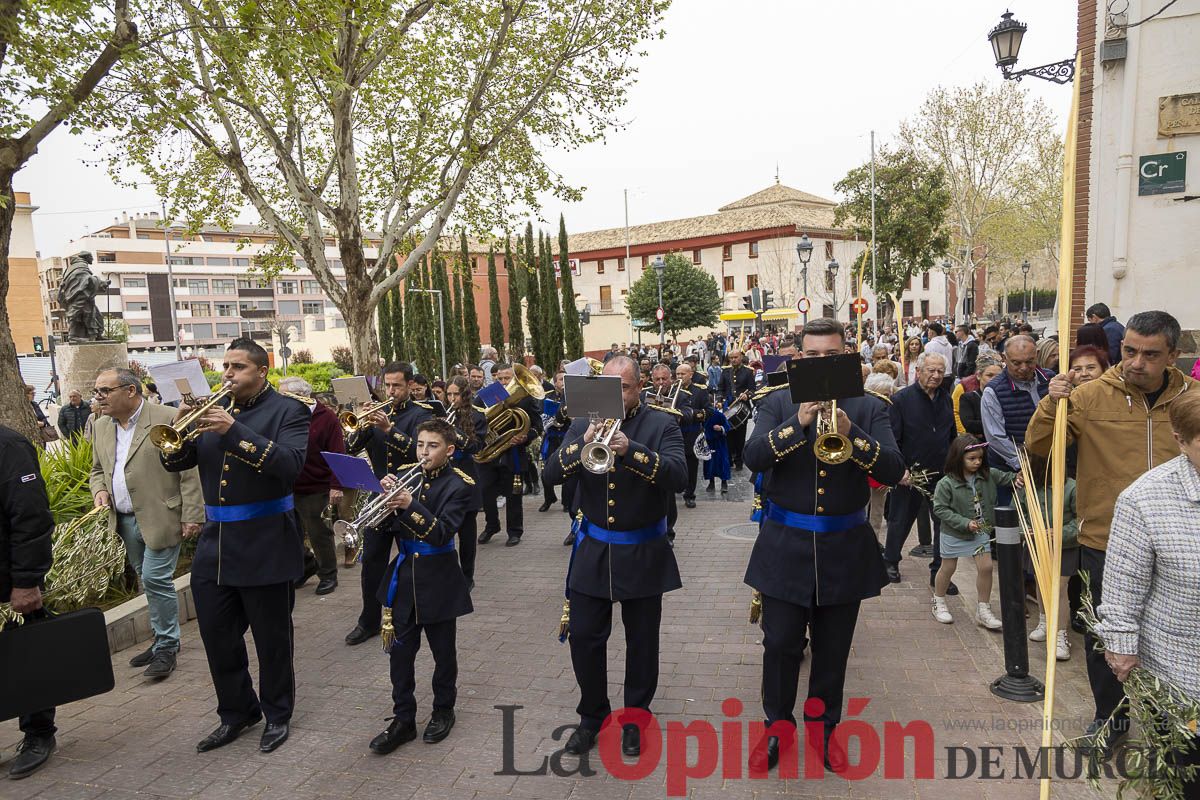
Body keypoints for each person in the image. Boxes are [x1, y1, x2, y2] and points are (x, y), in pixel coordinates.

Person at [1026, 310, 1195, 755]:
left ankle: (1172, 725)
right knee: (1107, 636)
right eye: (1130, 350)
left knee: (1176, 638)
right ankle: (1110, 719)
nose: (1137, 362)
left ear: (1174, 355)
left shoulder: (1190, 399)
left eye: (1151, 354)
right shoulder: (1089, 396)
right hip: (1108, 538)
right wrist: (1051, 402)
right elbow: (1039, 447)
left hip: (1182, 543)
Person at [742, 318, 905, 774]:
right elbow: (752, 458)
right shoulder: (775, 402)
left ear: (845, 355)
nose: (820, 362)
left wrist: (852, 434)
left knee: (833, 651)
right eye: (811, 356)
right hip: (784, 545)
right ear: (798, 358)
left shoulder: (870, 406)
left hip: (844, 547)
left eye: (829, 355)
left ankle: (824, 730)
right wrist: (798, 424)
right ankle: (777, 728)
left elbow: (893, 469)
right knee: (779, 646)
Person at [161, 338, 311, 754]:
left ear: (262, 371)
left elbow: (290, 467)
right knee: (217, 637)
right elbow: (176, 461)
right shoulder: (211, 412)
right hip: (216, 546)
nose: (227, 374)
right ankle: (237, 712)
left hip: (266, 541)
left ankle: (277, 714)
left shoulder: (289, 410)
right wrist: (180, 428)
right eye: (225, 366)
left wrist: (233, 430)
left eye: (238, 367)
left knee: (271, 639)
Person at [543, 355, 684, 757]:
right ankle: (592, 716)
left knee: (642, 641)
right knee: (585, 637)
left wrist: (632, 450)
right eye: (607, 387)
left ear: (639, 387)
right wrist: (585, 443)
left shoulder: (661, 423)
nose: (615, 395)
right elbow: (550, 475)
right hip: (594, 550)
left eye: (622, 387)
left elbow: (678, 475)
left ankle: (636, 717)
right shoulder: (579, 424)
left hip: (643, 550)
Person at [1094, 390, 1200, 794]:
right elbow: (1122, 585)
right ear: (1180, 440)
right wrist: (1121, 647)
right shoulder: (1146, 499)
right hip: (1180, 669)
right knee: (1187, 766)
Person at [368, 420, 474, 754]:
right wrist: (383, 499)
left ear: (449, 450)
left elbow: (442, 533)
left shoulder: (459, 486)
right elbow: (385, 530)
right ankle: (403, 719)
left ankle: (444, 710)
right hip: (404, 577)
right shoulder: (405, 476)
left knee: (444, 653)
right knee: (399, 655)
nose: (423, 453)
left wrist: (408, 505)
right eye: (420, 445)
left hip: (440, 579)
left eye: (432, 446)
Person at [90, 368, 204, 678]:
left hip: (162, 515)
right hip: (125, 520)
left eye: (104, 390)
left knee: (155, 579)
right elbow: (97, 469)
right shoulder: (100, 426)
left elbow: (189, 471)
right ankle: (161, 640)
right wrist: (100, 489)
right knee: (147, 580)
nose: (98, 397)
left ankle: (167, 646)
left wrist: (192, 514)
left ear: (130, 391)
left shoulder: (168, 416)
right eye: (96, 391)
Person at [344, 361, 433, 646]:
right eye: (388, 385)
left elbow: (423, 455)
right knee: (371, 562)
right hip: (378, 499)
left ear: (410, 386)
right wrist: (359, 427)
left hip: (410, 498)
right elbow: (351, 448)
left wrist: (390, 428)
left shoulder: (421, 415)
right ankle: (368, 620)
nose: (391, 391)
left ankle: (418, 613)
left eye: (397, 385)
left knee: (415, 559)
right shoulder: (375, 414)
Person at [0, 423, 57, 779]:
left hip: (10, 582)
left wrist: (25, 582)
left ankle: (38, 734)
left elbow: (32, 516)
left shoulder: (8, 446)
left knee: (27, 658)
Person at [883, 352, 957, 592]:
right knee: (900, 519)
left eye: (940, 371)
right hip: (910, 473)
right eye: (931, 371)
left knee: (942, 523)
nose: (936, 376)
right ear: (919, 371)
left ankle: (939, 570)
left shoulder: (946, 398)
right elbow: (892, 438)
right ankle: (891, 561)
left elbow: (951, 433)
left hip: (941, 472)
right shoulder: (901, 399)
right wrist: (899, 469)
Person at [930, 436, 1014, 628]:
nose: (977, 462)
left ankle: (983, 609)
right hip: (954, 532)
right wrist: (964, 523)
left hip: (982, 528)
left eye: (980, 458)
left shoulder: (988, 475)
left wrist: (1018, 478)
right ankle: (939, 601)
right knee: (948, 567)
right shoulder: (946, 483)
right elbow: (940, 509)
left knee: (986, 567)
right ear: (958, 458)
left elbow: (1007, 478)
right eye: (972, 458)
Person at [279, 376, 344, 595]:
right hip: (288, 484)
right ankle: (307, 563)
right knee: (288, 533)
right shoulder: (285, 416)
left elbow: (337, 453)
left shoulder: (327, 418)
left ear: (302, 396)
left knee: (319, 533)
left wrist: (336, 485)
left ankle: (328, 574)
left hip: (317, 486)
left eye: (284, 395)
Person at [1019, 452, 1078, 661]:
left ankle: (1060, 635)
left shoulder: (1071, 487)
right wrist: (1027, 529)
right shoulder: (1029, 488)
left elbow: (1081, 522)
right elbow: (1021, 515)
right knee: (1040, 582)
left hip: (1065, 548)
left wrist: (1060, 533)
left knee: (1059, 588)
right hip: (1038, 545)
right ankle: (1044, 621)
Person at [477, 363, 542, 547]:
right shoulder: (486, 396)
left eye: (508, 379)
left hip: (513, 453)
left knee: (514, 495)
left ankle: (514, 531)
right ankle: (491, 526)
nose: (504, 383)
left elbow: (538, 426)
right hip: (489, 454)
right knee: (486, 492)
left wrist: (524, 437)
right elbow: (476, 421)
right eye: (500, 379)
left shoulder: (526, 399)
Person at [981, 335, 1053, 501]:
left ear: (1037, 354)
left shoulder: (1051, 380)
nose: (1024, 368)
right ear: (1004, 358)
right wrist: (1023, 464)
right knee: (1012, 522)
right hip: (1011, 470)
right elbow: (996, 437)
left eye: (1029, 361)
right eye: (1016, 363)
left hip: (1048, 464)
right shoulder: (994, 391)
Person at [445, 376, 486, 587]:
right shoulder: (441, 413)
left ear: (464, 395)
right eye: (448, 394)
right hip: (444, 477)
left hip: (467, 477)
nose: (452, 399)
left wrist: (454, 431)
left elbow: (474, 447)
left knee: (467, 533)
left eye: (456, 395)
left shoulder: (477, 416)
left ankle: (467, 576)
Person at [674, 362, 707, 509]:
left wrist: (692, 415)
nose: (680, 377)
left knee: (691, 465)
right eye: (678, 374)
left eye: (683, 374)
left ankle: (690, 495)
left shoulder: (700, 391)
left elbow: (708, 411)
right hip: (674, 432)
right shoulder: (673, 390)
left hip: (691, 432)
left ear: (691, 375)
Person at [539, 371, 571, 513]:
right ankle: (549, 498)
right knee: (546, 470)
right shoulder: (547, 397)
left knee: (568, 469)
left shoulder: (572, 397)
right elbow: (542, 417)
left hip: (567, 436)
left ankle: (567, 501)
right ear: (555, 382)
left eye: (566, 379)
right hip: (551, 437)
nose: (563, 382)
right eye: (560, 379)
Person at [718, 349, 755, 471]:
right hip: (728, 407)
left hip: (742, 409)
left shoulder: (748, 372)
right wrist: (720, 400)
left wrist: (747, 395)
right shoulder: (725, 372)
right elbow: (720, 389)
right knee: (728, 435)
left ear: (741, 357)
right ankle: (728, 460)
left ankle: (739, 461)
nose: (733, 360)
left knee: (740, 437)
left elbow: (753, 390)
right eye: (731, 358)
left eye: (736, 357)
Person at [956, 355, 1004, 438]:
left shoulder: (1006, 397)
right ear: (978, 376)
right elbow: (969, 424)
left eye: (998, 376)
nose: (994, 379)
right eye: (989, 375)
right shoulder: (968, 398)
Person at [702, 401, 731, 494]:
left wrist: (721, 428)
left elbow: (727, 426)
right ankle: (711, 483)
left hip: (720, 443)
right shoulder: (702, 416)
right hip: (708, 443)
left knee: (722, 461)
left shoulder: (719, 415)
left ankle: (724, 482)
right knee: (709, 462)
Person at [1086, 302, 1125, 366]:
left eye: (1089, 320)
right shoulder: (1115, 326)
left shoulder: (1109, 330)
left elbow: (1109, 356)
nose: (1090, 323)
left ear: (1094, 317)